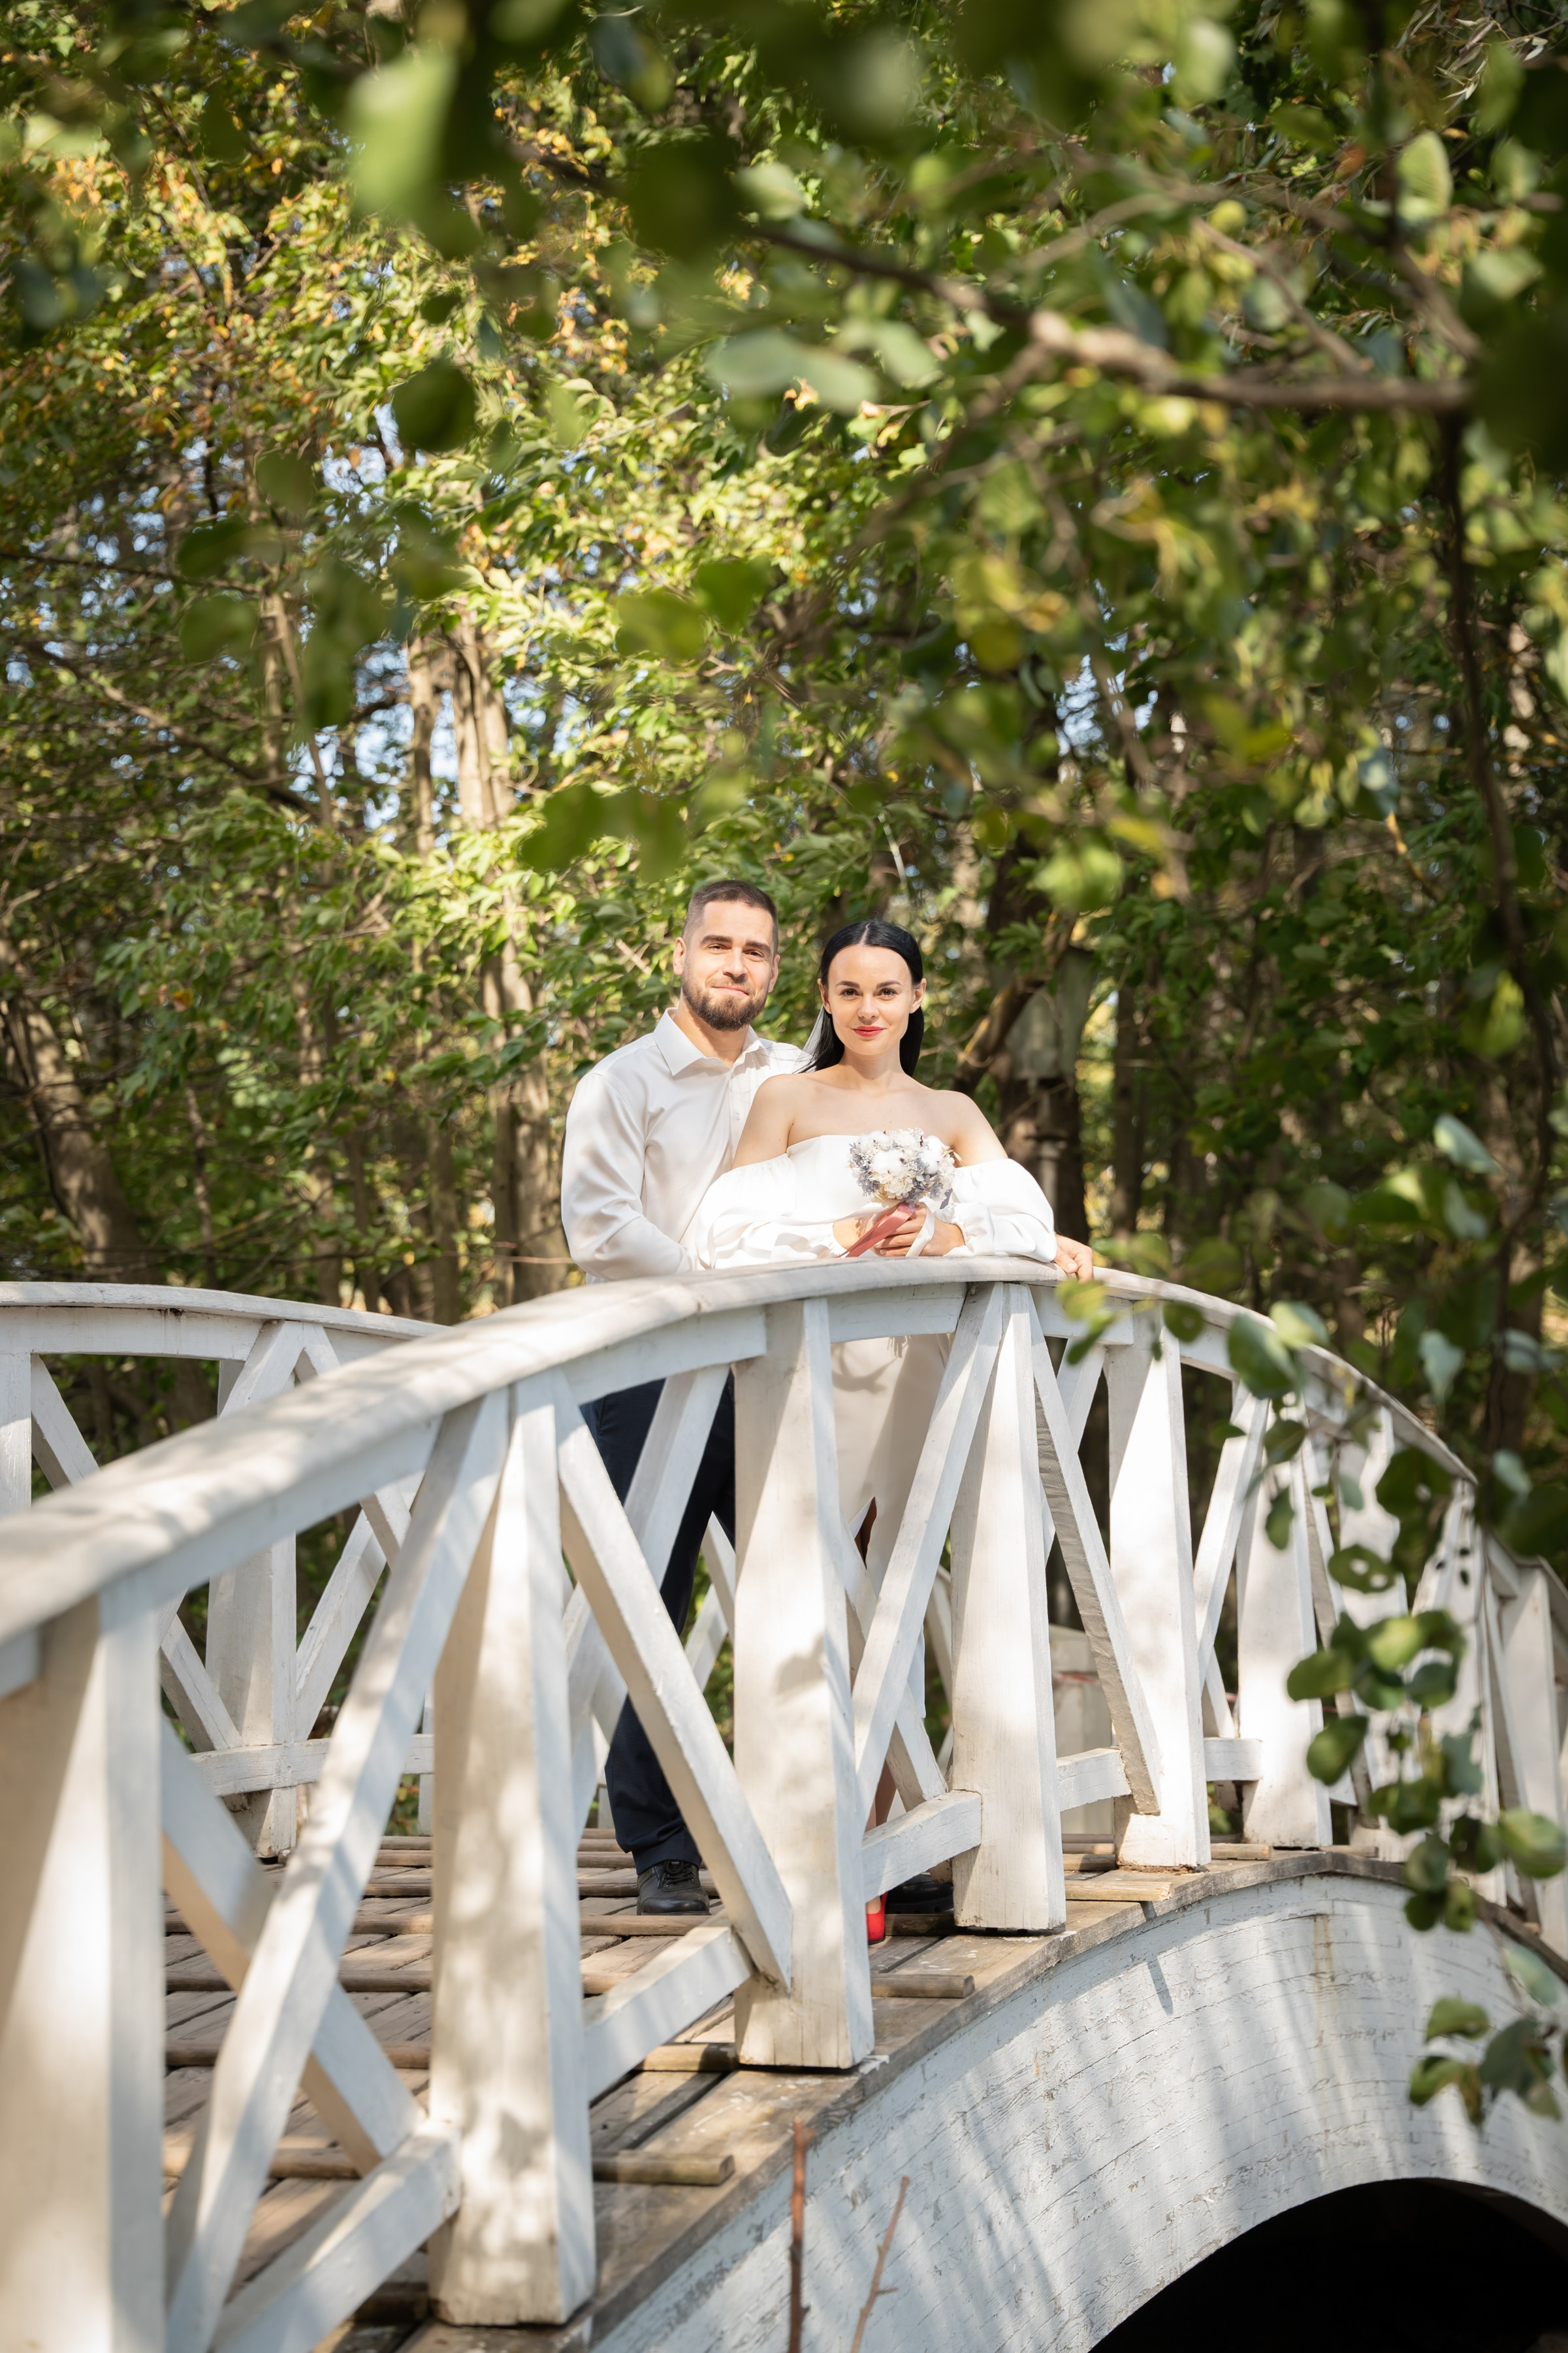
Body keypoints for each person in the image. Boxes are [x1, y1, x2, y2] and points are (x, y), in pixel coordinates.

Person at [685, 920, 1095, 1907]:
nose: (868, 1008)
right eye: (849, 990)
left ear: (917, 1001)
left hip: (918, 1370)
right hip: (813, 1371)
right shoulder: (785, 1098)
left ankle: (869, 1851)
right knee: (811, 1602)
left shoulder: (950, 1109)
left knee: (896, 1597)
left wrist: (963, 1230)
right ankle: (805, 1858)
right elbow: (716, 1233)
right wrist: (833, 1230)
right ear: (823, 1002)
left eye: (887, 990)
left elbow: (1020, 1217)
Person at [560, 877, 802, 1916]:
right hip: (647, 1371)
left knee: (807, 1589)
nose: (735, 965)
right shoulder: (618, 1084)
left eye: (755, 951)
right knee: (650, 1601)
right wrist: (718, 1291)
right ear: (679, 955)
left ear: (775, 970)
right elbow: (602, 1230)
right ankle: (660, 1843)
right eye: (718, 944)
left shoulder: (798, 1075)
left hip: (776, 1368)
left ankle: (818, 1823)